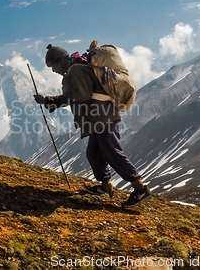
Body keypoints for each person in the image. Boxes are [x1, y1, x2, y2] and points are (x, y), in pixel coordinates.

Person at [33, 41, 151, 208]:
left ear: (60, 60)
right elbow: (74, 95)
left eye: (52, 66)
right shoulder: (74, 70)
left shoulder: (76, 70)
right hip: (98, 118)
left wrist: (56, 99)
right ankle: (105, 186)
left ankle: (140, 188)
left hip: (103, 118)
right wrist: (48, 100)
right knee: (94, 154)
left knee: (112, 152)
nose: (53, 70)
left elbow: (81, 95)